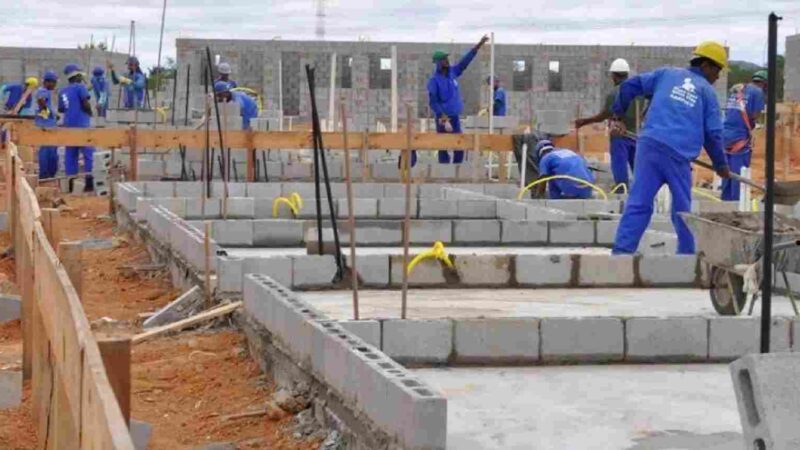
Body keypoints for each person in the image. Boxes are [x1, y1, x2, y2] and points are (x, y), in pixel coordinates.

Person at [611, 41, 731, 255]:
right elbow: (713, 134)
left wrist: (617, 116)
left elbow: (628, 86)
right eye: (718, 70)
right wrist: (721, 165)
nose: (718, 77)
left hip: (648, 148)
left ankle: (621, 254)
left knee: (638, 203)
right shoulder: (707, 93)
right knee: (683, 210)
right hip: (678, 155)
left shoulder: (665, 74)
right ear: (707, 65)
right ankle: (686, 258)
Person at [575, 58, 637, 189]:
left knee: (619, 165)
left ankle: (621, 190)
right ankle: (641, 192)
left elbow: (605, 115)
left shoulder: (615, 93)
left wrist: (584, 121)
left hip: (619, 136)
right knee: (637, 167)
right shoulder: (638, 92)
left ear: (614, 75)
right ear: (627, 73)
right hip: (636, 135)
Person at [428, 35, 489, 164]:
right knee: (443, 146)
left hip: (454, 118)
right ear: (438, 63)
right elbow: (433, 102)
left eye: (447, 59)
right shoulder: (434, 81)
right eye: (444, 59)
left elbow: (464, 62)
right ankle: (445, 170)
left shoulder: (452, 73)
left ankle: (457, 169)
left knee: (459, 144)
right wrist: (443, 117)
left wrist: (478, 45)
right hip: (443, 119)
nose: (447, 61)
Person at [720, 70, 767, 201]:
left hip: (725, 134)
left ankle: (725, 201)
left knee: (726, 170)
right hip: (740, 135)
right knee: (739, 171)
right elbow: (755, 115)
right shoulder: (758, 92)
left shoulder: (739, 88)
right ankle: (736, 202)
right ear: (764, 84)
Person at [58, 64, 95, 192]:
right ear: (77, 76)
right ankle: (89, 182)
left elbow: (61, 108)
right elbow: (85, 102)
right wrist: (90, 112)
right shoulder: (80, 87)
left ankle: (71, 184)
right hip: (82, 125)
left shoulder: (62, 91)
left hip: (68, 125)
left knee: (71, 155)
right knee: (88, 154)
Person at [35, 71, 59, 179]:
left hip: (49, 125)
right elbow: (41, 102)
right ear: (47, 82)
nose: (54, 85)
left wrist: (53, 115)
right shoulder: (42, 91)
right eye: (53, 83)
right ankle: (45, 174)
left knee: (51, 150)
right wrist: (48, 114)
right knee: (46, 151)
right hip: (46, 126)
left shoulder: (46, 92)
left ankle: (49, 173)